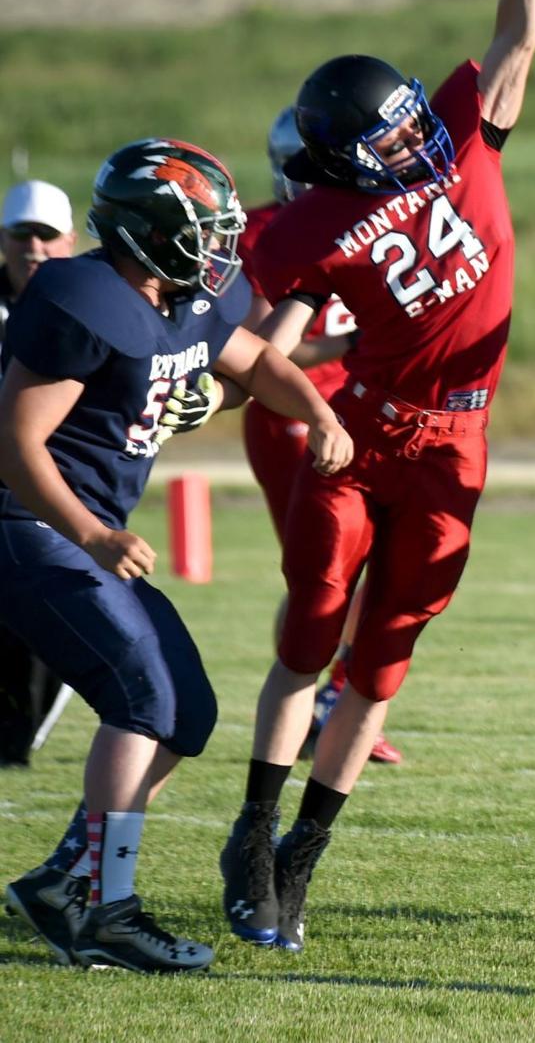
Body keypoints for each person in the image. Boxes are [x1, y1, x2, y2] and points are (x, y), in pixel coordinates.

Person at [218, 0, 535, 954]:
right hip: (367, 439)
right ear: (339, 159)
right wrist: (322, 412)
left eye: (407, 121)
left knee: (383, 662)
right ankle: (250, 830)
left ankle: (303, 855)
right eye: (385, 135)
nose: (412, 138)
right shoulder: (307, 229)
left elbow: (519, 33)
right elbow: (252, 356)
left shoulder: (465, 138)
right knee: (311, 633)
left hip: (458, 445)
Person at [0, 138, 353, 973]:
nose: (220, 247)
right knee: (144, 697)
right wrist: (94, 533)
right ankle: (104, 907)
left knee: (186, 711)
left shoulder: (182, 295)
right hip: (30, 525)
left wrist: (320, 416)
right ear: (146, 231)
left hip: (82, 530)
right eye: (203, 228)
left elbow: (258, 358)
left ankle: (67, 881)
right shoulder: (82, 296)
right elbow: (15, 445)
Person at [174, 107, 404, 765]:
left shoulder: (368, 216)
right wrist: (355, 340)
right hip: (291, 416)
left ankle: (329, 698)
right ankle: (320, 699)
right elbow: (265, 353)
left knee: (364, 567)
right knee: (328, 572)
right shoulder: (269, 231)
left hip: (355, 410)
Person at [0, 180, 76, 767]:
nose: (33, 246)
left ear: (69, 241)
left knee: (43, 626)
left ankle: (18, 735)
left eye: (46, 235)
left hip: (57, 487)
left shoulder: (91, 301)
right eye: (21, 234)